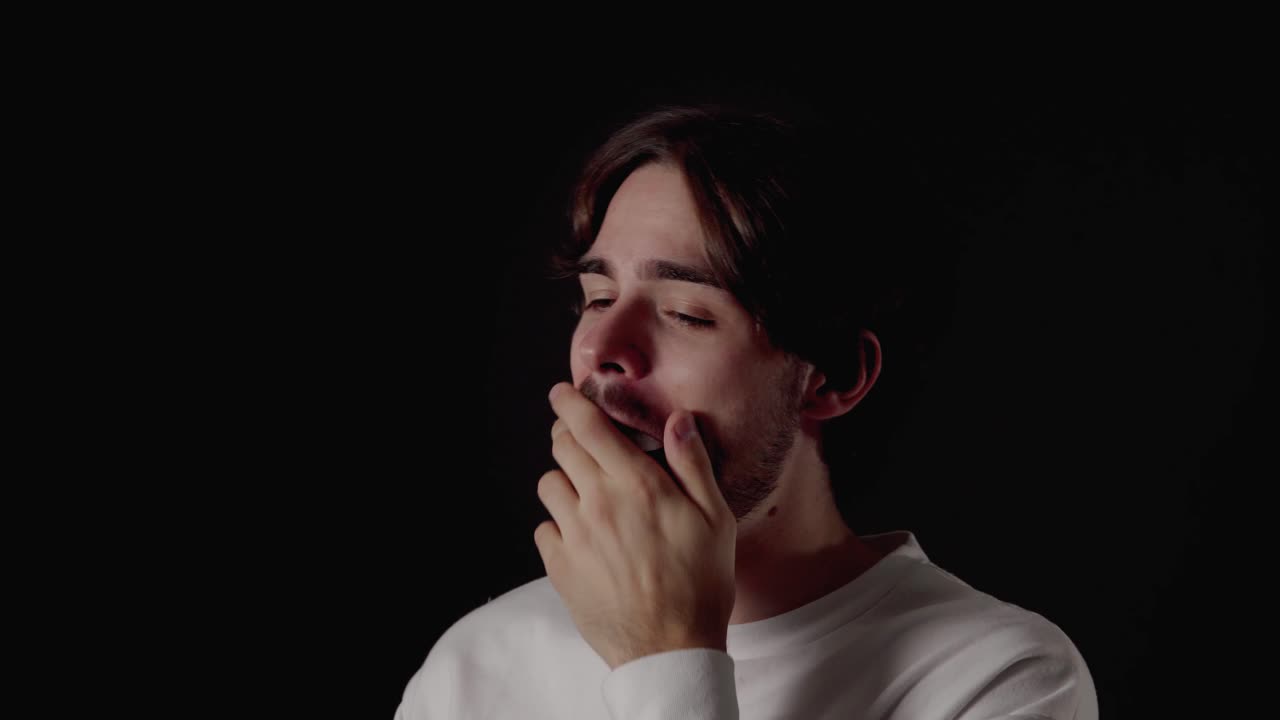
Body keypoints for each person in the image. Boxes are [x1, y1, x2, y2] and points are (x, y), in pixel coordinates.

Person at [395, 104, 1098, 719]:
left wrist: (667, 657)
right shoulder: (479, 660)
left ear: (834, 376)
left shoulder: (1000, 676)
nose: (603, 350)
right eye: (597, 298)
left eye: (685, 313)